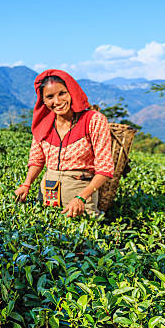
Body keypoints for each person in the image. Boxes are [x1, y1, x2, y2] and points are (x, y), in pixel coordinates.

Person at [14, 69, 114, 217]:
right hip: (48, 195)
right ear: (43, 101)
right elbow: (37, 160)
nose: (57, 101)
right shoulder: (43, 124)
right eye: (50, 97)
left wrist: (81, 197)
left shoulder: (93, 120)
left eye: (62, 93)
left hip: (81, 197)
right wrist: (26, 184)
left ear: (71, 92)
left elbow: (105, 169)